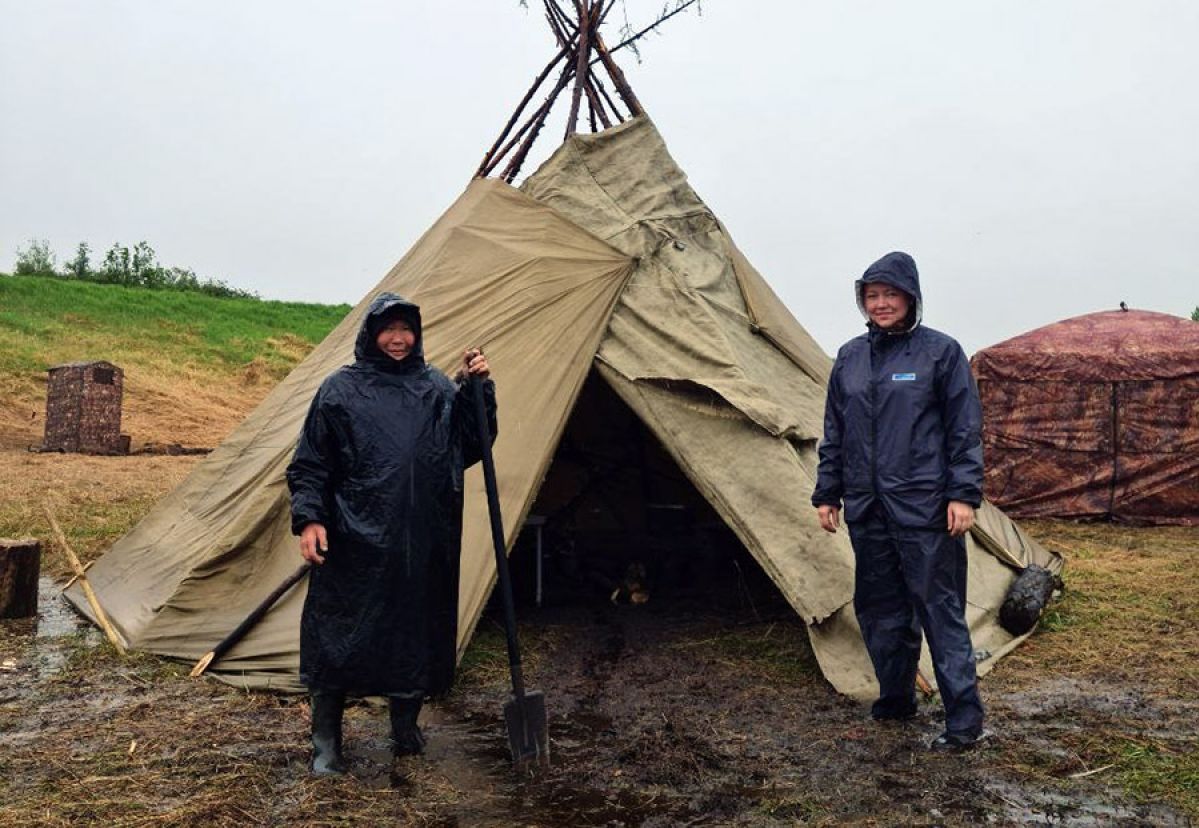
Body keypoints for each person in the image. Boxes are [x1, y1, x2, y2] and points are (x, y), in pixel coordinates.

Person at [286, 292, 497, 775]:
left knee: (414, 632)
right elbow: (311, 463)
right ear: (371, 334)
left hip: (424, 537)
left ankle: (405, 727)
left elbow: (469, 447)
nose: (398, 339)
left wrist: (478, 391)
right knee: (339, 634)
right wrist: (310, 519)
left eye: (407, 330)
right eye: (389, 329)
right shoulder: (340, 389)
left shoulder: (437, 388)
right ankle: (326, 742)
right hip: (354, 537)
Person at [811, 252, 987, 751]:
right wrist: (828, 492)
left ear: (911, 297)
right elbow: (835, 431)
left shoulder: (940, 353)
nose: (881, 303)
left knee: (939, 610)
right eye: (872, 295)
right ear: (862, 302)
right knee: (881, 609)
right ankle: (896, 699)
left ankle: (964, 721)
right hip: (868, 509)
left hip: (926, 508)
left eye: (890, 294)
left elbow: (964, 429)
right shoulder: (849, 357)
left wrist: (962, 494)